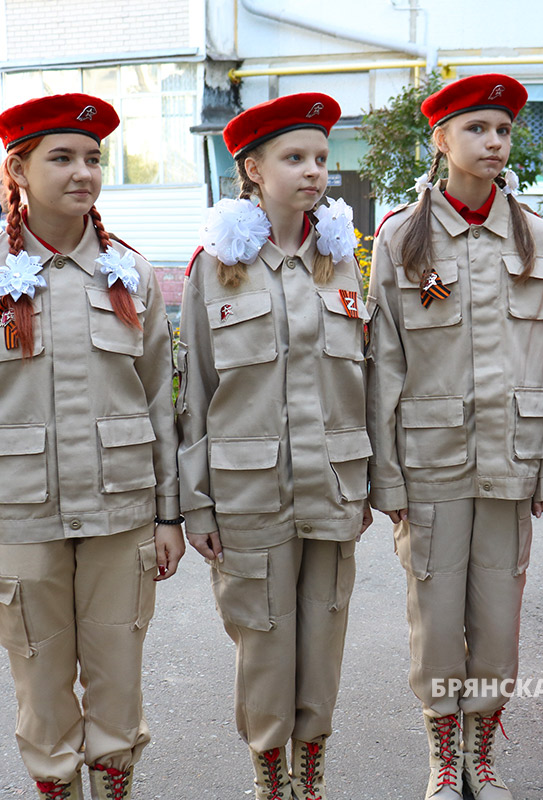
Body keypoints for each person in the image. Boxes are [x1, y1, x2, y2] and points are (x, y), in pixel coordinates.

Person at [0, 93, 185, 800]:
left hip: (121, 519)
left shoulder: (130, 273)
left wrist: (169, 516)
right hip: (22, 523)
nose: (85, 172)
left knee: (118, 687)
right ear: (19, 167)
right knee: (42, 694)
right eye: (63, 157)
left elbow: (160, 403)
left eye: (95, 158)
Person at [366, 73, 543, 800]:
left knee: (499, 622)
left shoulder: (533, 234)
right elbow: (384, 360)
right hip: (431, 463)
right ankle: (443, 754)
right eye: (477, 129)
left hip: (511, 457)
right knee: (438, 623)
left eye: (504, 131)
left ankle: (483, 751)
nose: (493, 143)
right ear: (440, 139)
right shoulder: (401, 236)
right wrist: (387, 479)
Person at [177, 92, 372, 800]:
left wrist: (372, 482)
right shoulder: (216, 265)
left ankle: (310, 776)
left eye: (321, 158)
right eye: (295, 158)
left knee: (322, 640)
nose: (314, 171)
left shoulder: (342, 260)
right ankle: (271, 779)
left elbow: (365, 380)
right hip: (247, 492)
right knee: (264, 644)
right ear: (253, 169)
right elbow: (193, 390)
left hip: (333, 485)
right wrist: (195, 506)